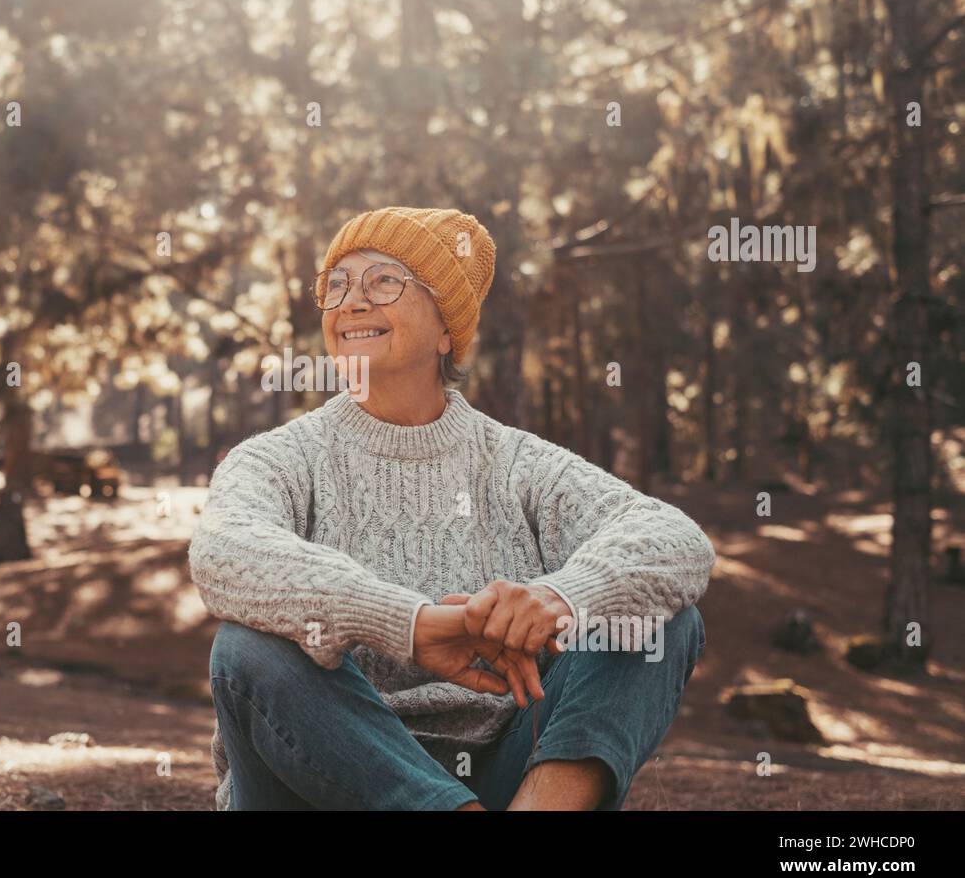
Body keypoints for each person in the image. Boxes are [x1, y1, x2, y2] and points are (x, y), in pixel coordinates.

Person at [188, 207, 714, 810]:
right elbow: (224, 552)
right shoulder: (280, 458)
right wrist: (409, 624)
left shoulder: (516, 462)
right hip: (312, 784)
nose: (351, 302)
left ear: (447, 331)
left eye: (384, 281)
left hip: (497, 781)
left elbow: (673, 538)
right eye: (336, 286)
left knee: (656, 617)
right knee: (248, 646)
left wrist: (561, 597)